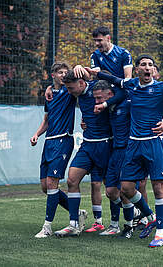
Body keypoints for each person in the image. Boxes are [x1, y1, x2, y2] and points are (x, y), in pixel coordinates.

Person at [86, 54, 163, 247]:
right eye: (143, 65)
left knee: (159, 188)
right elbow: (112, 79)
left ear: (154, 70)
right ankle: (150, 215)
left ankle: (159, 233)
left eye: (150, 65)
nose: (147, 68)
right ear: (137, 69)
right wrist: (95, 72)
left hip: (155, 143)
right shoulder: (131, 85)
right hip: (133, 144)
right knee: (127, 188)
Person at [91, 80, 163, 238]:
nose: (97, 102)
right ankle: (143, 214)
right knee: (111, 192)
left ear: (110, 95)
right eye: (95, 98)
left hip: (130, 150)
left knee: (127, 189)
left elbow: (148, 110)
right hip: (114, 151)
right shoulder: (107, 109)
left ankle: (130, 225)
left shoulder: (128, 103)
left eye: (99, 98)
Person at [30, 62, 87, 238]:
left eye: (65, 72)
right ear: (52, 75)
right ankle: (76, 212)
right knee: (45, 187)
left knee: (52, 183)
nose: (63, 75)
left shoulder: (69, 92)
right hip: (49, 142)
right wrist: (37, 134)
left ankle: (47, 227)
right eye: (60, 72)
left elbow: (83, 85)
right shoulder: (49, 95)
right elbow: (46, 121)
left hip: (64, 140)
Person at [54, 70, 112, 237]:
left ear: (81, 83)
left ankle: (124, 220)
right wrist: (50, 88)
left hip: (106, 144)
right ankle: (74, 223)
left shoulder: (98, 88)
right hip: (87, 145)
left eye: (71, 88)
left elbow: (118, 85)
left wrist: (89, 70)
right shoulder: (75, 92)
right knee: (72, 179)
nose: (69, 92)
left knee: (113, 190)